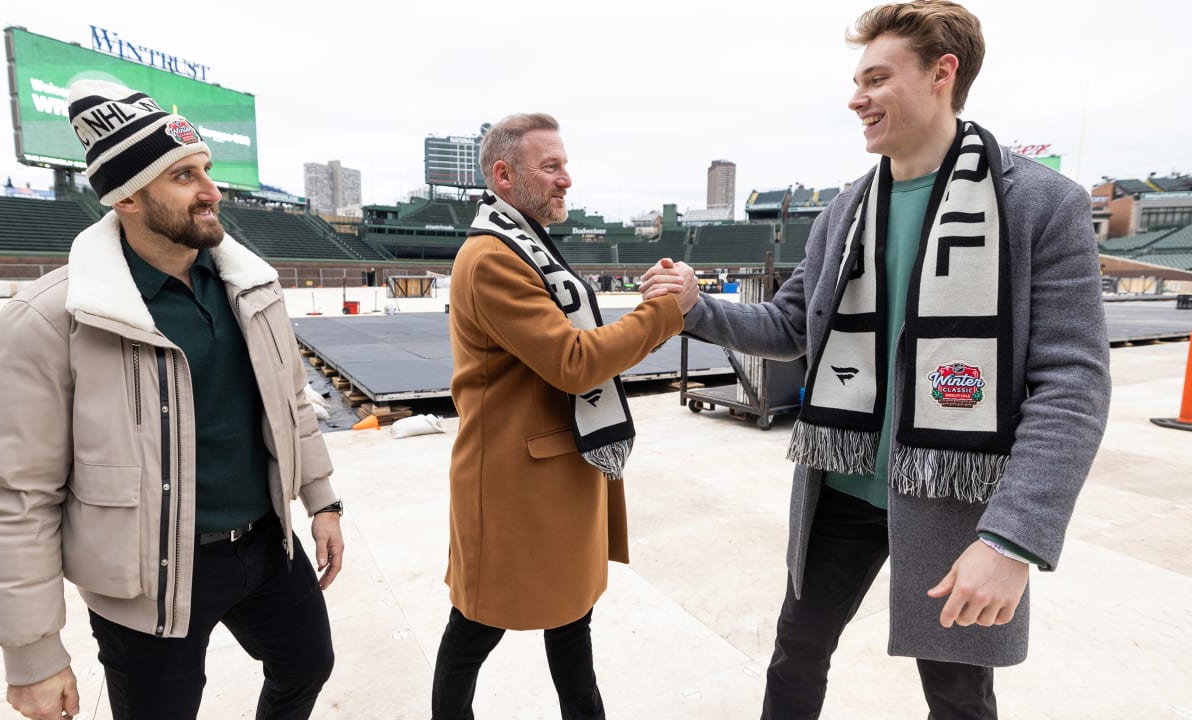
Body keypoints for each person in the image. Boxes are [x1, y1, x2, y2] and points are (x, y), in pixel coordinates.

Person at [642, 2, 1110, 718]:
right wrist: (695, 308)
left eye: (876, 77)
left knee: (958, 694)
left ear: (941, 75)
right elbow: (792, 324)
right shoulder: (846, 211)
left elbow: (1072, 385)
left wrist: (1014, 539)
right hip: (845, 486)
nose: (855, 97)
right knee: (794, 656)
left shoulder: (1042, 204)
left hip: (956, 500)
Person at [0, 80, 345, 720]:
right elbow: (11, 495)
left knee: (308, 665)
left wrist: (322, 500)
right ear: (128, 199)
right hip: (149, 576)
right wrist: (32, 654)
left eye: (206, 170)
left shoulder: (251, 288)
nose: (210, 191)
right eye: (182, 177)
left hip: (264, 545)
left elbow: (291, 406)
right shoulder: (49, 319)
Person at [432, 113, 697, 720]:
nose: (565, 180)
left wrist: (647, 306)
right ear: (504, 175)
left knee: (571, 630)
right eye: (550, 167)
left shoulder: (521, 242)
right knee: (474, 629)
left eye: (564, 165)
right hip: (513, 491)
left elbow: (578, 340)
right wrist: (665, 313)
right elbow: (575, 361)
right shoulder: (493, 258)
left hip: (554, 476)